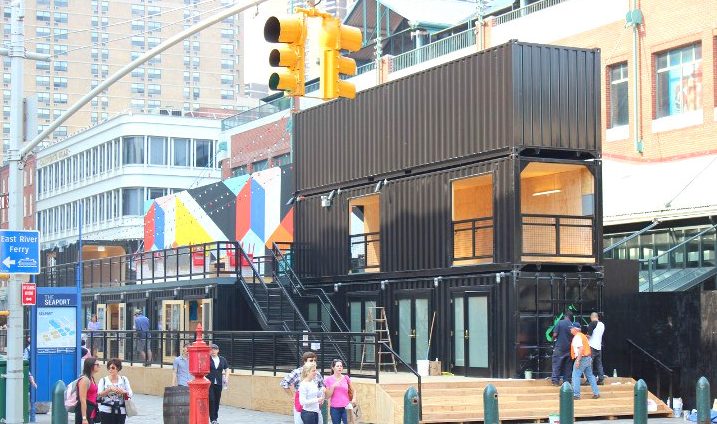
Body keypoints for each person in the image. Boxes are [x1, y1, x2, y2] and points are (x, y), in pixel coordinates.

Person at [280, 352, 325, 424]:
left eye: (314, 360)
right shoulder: (297, 372)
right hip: (301, 405)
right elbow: (284, 383)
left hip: (315, 406)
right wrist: (293, 396)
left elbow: (322, 386)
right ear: (304, 361)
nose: (313, 362)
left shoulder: (317, 373)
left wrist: (321, 394)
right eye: (311, 360)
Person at [97, 358, 133, 424]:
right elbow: (99, 394)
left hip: (121, 410)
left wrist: (123, 392)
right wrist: (109, 389)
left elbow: (130, 394)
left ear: (118, 368)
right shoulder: (103, 380)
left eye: (113, 368)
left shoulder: (124, 379)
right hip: (106, 410)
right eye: (109, 368)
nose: (110, 370)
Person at [570, 323, 600, 400]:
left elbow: (581, 349)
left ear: (575, 329)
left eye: (571, 328)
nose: (570, 329)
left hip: (582, 358)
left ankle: (576, 395)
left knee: (575, 376)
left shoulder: (577, 337)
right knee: (590, 376)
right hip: (588, 358)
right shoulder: (583, 336)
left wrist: (578, 361)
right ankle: (596, 393)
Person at [324, 359, 354, 424]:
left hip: (346, 407)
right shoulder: (328, 379)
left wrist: (354, 398)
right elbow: (327, 396)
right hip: (335, 408)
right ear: (333, 368)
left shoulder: (346, 378)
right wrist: (333, 387)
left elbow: (353, 390)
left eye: (341, 366)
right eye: (337, 366)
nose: (340, 367)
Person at [551, 309, 574, 386]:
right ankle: (566, 382)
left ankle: (555, 381)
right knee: (568, 366)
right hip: (569, 349)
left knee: (557, 364)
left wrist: (552, 339)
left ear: (565, 316)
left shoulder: (560, 322)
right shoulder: (572, 325)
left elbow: (555, 334)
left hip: (560, 348)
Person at [207, 343, 228, 424]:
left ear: (218, 350)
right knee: (211, 400)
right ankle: (212, 419)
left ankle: (215, 418)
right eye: (211, 349)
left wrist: (226, 378)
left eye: (215, 349)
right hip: (209, 383)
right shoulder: (207, 359)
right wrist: (205, 379)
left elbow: (227, 369)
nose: (213, 351)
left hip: (219, 383)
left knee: (217, 400)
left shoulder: (222, 359)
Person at [76, 357, 101, 424]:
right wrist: (84, 418)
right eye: (97, 365)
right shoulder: (84, 380)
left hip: (91, 412)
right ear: (91, 366)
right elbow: (83, 400)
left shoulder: (91, 378)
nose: (99, 366)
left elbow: (93, 394)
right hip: (85, 413)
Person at [587, 312, 605, 385]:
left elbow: (589, 336)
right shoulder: (602, 325)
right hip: (598, 347)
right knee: (599, 363)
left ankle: (589, 380)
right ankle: (601, 379)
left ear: (592, 317)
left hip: (591, 346)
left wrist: (583, 336)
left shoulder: (592, 324)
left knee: (589, 363)